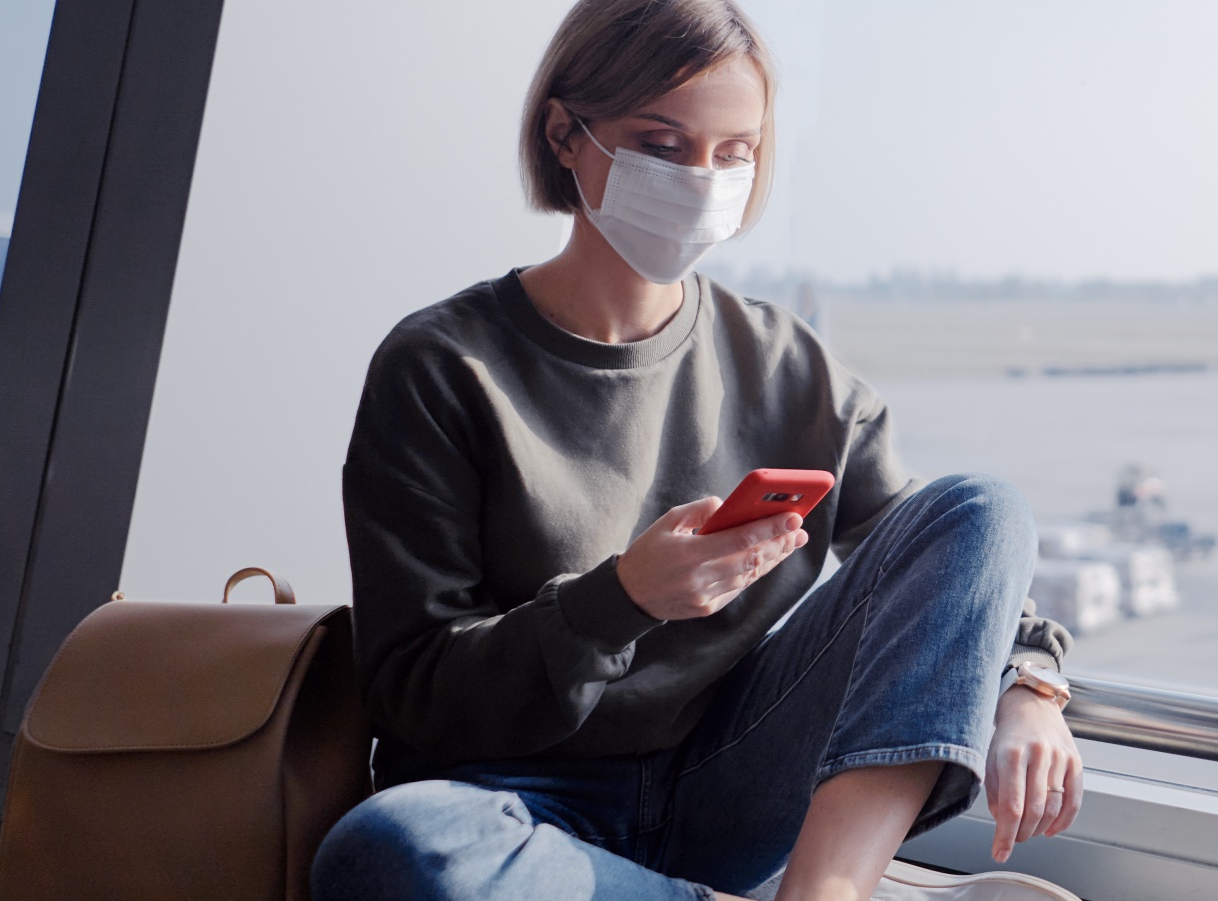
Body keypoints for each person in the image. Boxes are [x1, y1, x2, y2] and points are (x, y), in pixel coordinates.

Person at [311, 2, 1081, 898]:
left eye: (735, 151)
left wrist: (1032, 683)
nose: (703, 178)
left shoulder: (790, 367)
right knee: (389, 847)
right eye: (663, 145)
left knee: (983, 503)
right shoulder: (443, 366)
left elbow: (950, 556)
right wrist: (620, 599)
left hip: (723, 789)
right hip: (510, 800)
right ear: (566, 134)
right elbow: (412, 690)